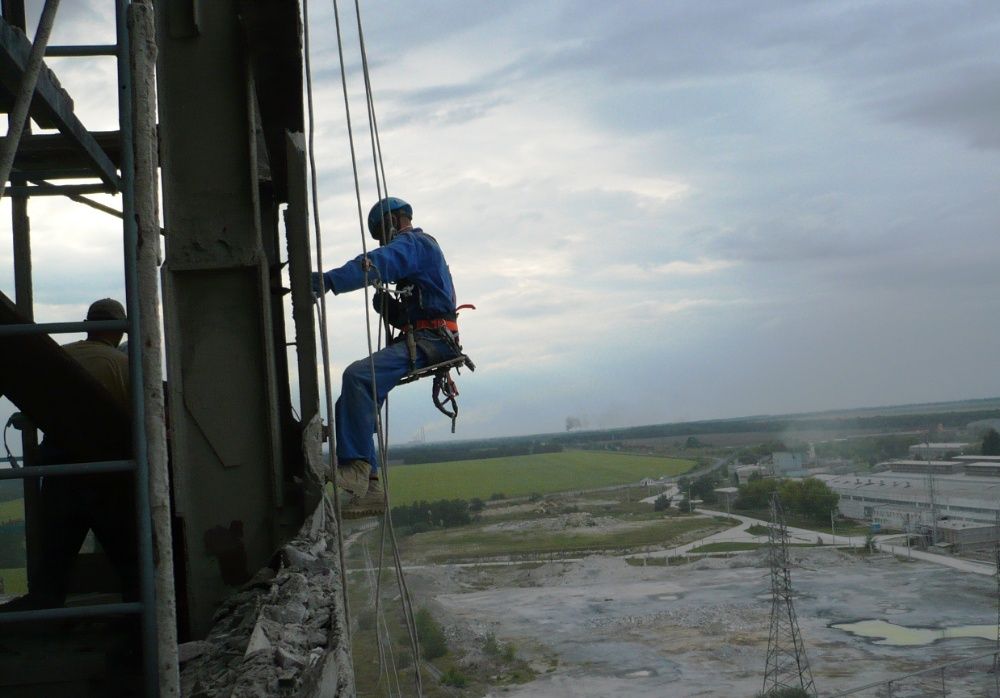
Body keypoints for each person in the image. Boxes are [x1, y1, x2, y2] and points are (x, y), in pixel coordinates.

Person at [312, 197, 463, 518]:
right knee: (351, 402)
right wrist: (392, 309)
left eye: (382, 230)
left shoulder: (415, 243)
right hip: (428, 336)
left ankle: (355, 469)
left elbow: (379, 262)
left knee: (358, 377)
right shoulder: (424, 252)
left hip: (431, 339)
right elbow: (426, 304)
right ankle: (372, 488)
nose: (383, 239)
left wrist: (330, 280)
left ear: (396, 219)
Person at [1, 298, 136, 611]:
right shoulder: (124, 365)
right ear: (118, 329)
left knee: (56, 555)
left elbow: (35, 408)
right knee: (127, 555)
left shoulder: (63, 357)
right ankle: (136, 620)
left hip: (61, 469)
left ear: (88, 324)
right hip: (109, 473)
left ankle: (44, 610)